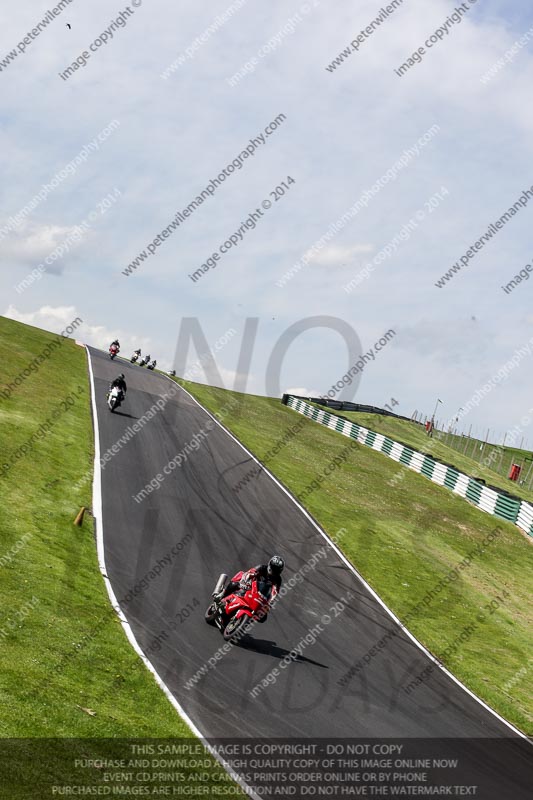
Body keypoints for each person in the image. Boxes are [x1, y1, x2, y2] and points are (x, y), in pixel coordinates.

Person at [216, 555, 284, 621]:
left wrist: (270, 602)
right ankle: (222, 594)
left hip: (260, 595)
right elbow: (250, 573)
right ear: (270, 565)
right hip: (249, 585)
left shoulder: (278, 579)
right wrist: (246, 580)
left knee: (263, 617)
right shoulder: (262, 567)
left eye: (277, 570)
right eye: (274, 568)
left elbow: (275, 592)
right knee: (234, 584)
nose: (274, 571)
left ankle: (245, 620)